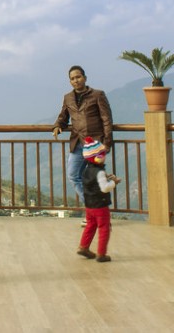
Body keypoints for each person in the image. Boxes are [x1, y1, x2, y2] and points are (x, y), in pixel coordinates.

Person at [53, 65, 114, 201]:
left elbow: (107, 119)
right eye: (72, 78)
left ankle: (97, 213)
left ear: (85, 78)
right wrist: (57, 125)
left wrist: (107, 143)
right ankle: (91, 207)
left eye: (78, 77)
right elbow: (63, 116)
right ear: (70, 81)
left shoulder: (98, 95)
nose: (76, 80)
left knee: (94, 178)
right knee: (73, 175)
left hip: (95, 144)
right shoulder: (68, 97)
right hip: (77, 143)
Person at [77, 137, 121, 262]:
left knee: (90, 225)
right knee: (104, 227)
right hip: (100, 206)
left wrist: (106, 177)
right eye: (103, 154)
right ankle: (101, 253)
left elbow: (92, 183)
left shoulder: (86, 170)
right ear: (98, 157)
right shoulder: (99, 172)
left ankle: (83, 246)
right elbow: (104, 188)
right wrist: (114, 182)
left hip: (89, 205)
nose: (105, 156)